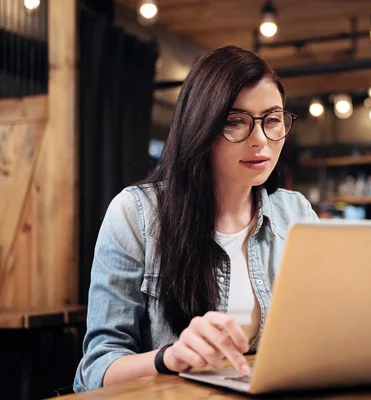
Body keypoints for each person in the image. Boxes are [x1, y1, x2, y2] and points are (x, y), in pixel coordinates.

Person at [73, 46, 317, 392]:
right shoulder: (135, 215)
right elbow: (95, 370)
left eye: (273, 119)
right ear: (201, 126)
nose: (260, 139)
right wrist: (168, 358)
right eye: (235, 121)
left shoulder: (295, 214)